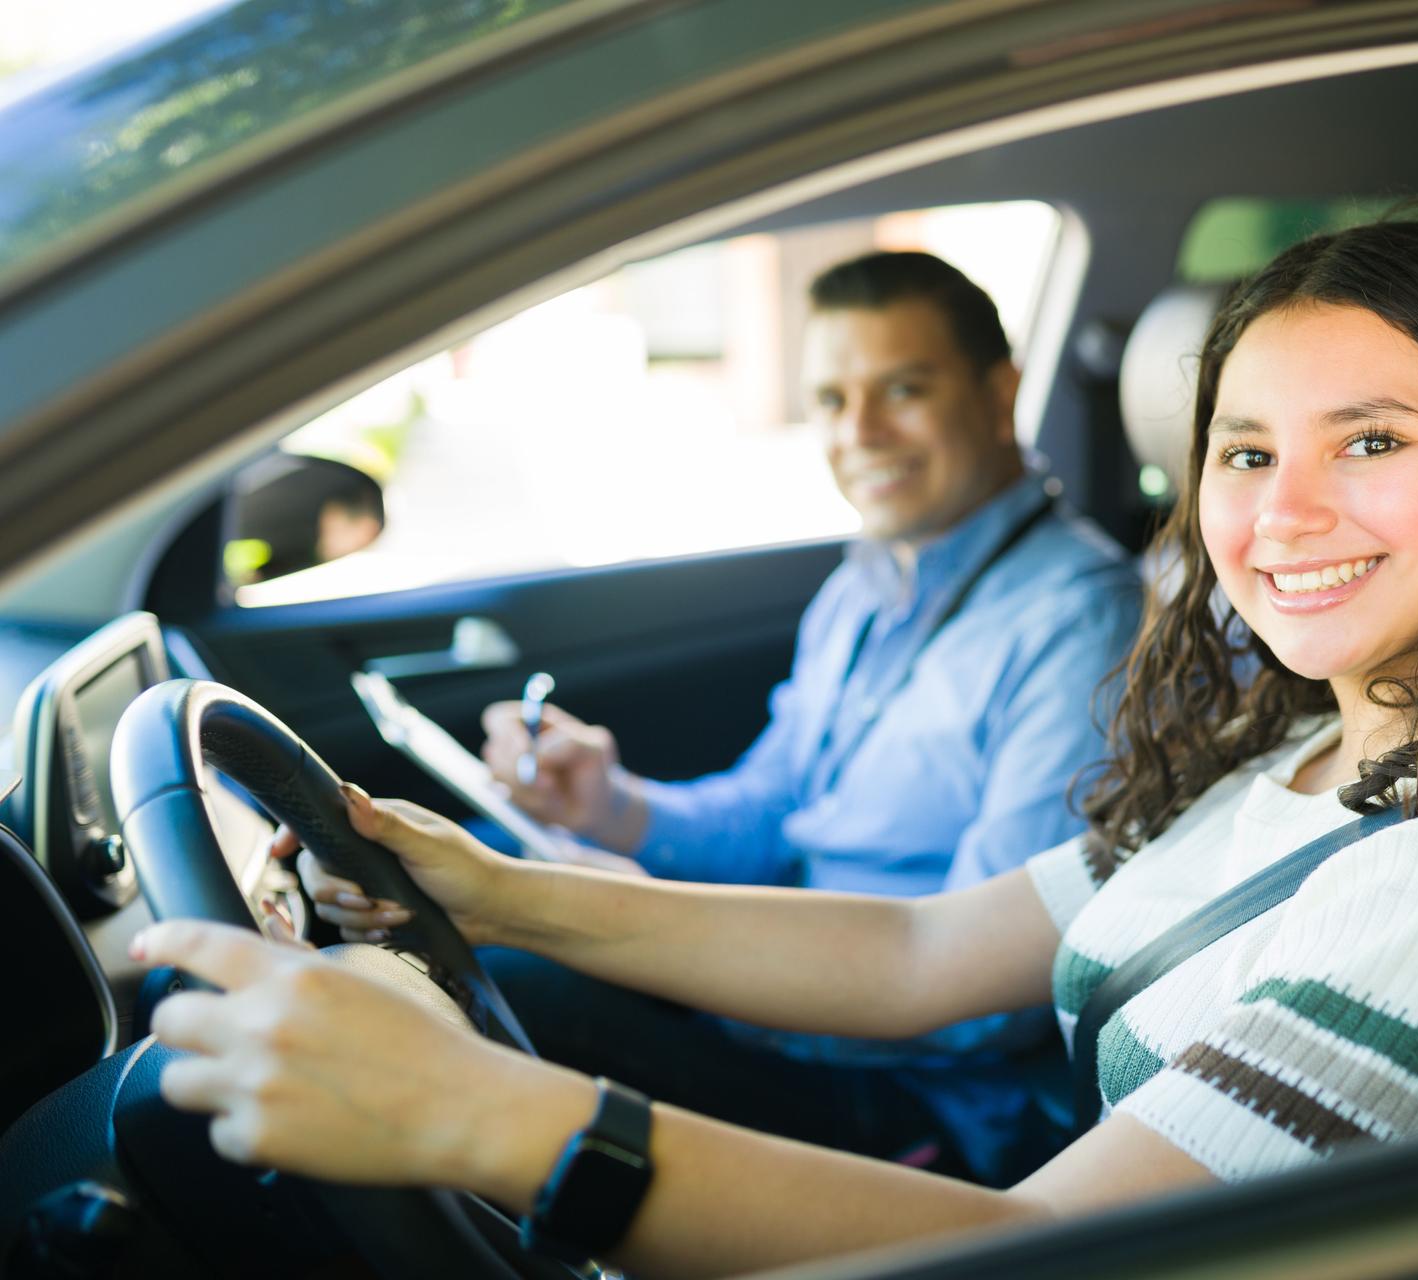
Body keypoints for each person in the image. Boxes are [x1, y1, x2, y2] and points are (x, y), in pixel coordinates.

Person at [134, 211, 1418, 1278]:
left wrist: (488, 1118)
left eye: (1375, 442)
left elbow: (1038, 1252)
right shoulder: (1296, 761)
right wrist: (495, 893)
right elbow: (920, 946)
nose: (1285, 515)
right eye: (1247, 450)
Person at [468, 249, 1144, 1185]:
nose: (859, 431)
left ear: (1000, 394)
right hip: (789, 1000)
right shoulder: (862, 587)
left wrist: (676, 959)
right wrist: (612, 811)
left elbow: (993, 1001)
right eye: (831, 399)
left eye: (902, 389)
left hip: (917, 1100)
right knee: (487, 863)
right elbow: (771, 815)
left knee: (518, 981)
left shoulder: (1078, 625)